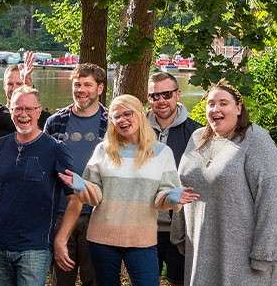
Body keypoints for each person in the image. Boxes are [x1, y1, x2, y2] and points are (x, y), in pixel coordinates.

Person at [53, 95, 197, 286]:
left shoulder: (162, 152)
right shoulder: (103, 150)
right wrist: (81, 185)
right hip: (102, 238)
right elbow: (95, 196)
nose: (122, 120)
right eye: (116, 116)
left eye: (127, 113)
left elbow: (163, 197)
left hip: (141, 239)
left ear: (139, 114)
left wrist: (173, 196)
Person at [175, 83, 277, 286]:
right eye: (211, 104)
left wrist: (264, 254)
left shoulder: (255, 140)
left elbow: (274, 199)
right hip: (201, 247)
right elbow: (183, 186)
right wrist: (179, 233)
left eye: (223, 103)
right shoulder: (197, 138)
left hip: (243, 257)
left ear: (238, 108)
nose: (215, 109)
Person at [0, 87, 77, 286]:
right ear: (10, 111)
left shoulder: (55, 149)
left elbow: (75, 199)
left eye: (29, 109)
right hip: (0, 242)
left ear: (38, 111)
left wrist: (61, 238)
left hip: (35, 247)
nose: (23, 114)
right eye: (18, 109)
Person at [45, 63, 110, 286]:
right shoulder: (55, 122)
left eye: (87, 85)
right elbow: (46, 167)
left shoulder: (112, 123)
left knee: (96, 278)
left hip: (99, 214)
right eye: (77, 84)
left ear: (100, 88)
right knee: (62, 279)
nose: (81, 89)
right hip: (62, 214)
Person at [144, 72, 201, 285]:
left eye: (166, 94)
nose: (161, 101)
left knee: (181, 280)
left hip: (182, 225)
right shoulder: (136, 130)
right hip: (145, 223)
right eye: (154, 96)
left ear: (178, 95)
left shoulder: (196, 133)